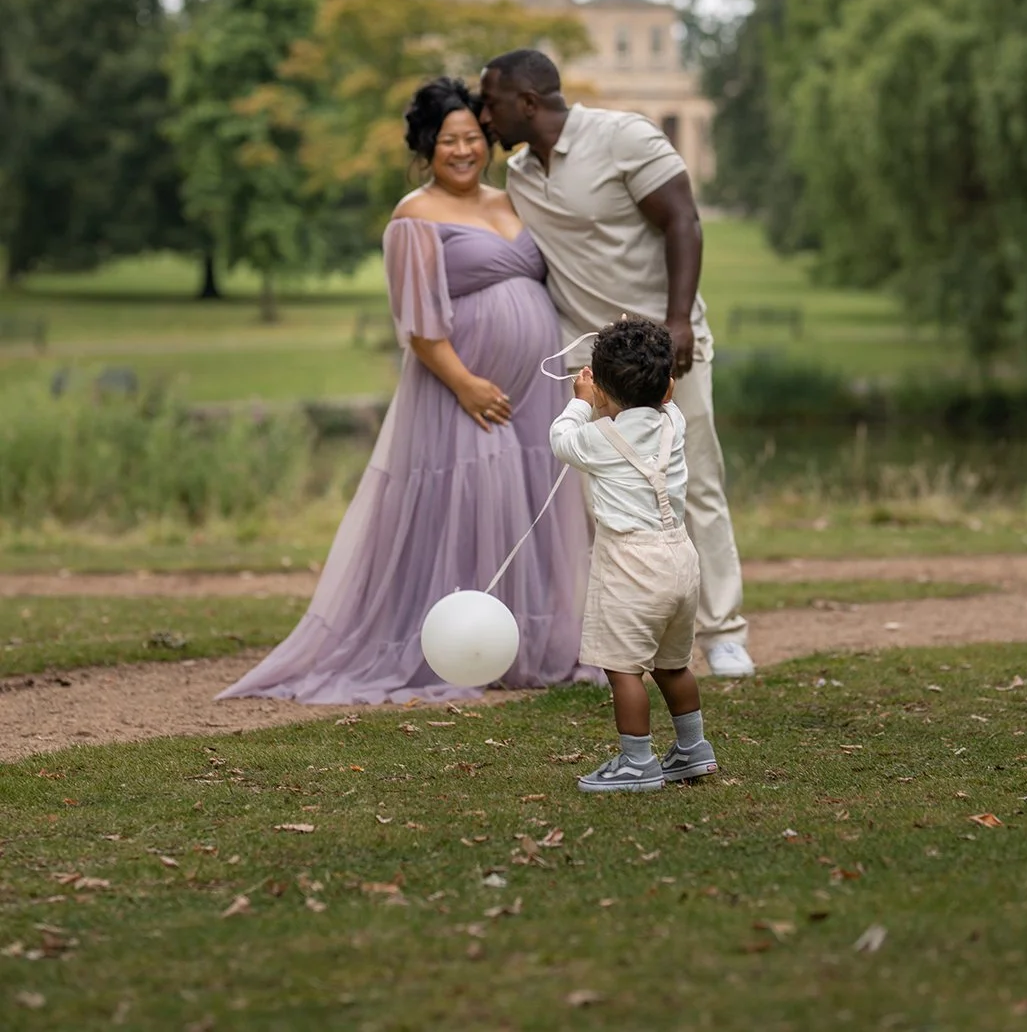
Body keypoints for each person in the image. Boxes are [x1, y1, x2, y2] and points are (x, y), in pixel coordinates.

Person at [217, 76, 593, 706]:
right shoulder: (413, 216)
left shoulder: (512, 202)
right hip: (462, 393)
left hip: (535, 395)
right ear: (426, 146)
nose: (464, 150)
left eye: (473, 137)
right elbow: (418, 324)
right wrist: (467, 383)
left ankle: (523, 647)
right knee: (469, 510)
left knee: (526, 512)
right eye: (449, 140)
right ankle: (453, 646)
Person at [480, 48, 754, 679]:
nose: (484, 116)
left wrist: (679, 318)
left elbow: (683, 219)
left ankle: (724, 632)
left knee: (697, 487)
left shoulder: (623, 135)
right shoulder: (520, 175)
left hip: (668, 349)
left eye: (491, 103)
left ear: (526, 102)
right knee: (602, 499)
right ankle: (618, 643)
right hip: (592, 362)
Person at [550, 318, 719, 792]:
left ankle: (636, 762)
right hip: (680, 559)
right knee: (673, 664)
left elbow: (560, 439)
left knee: (623, 669)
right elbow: (650, 400)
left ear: (601, 390)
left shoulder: (597, 438)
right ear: (668, 389)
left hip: (630, 563)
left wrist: (581, 403)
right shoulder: (675, 421)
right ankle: (692, 749)